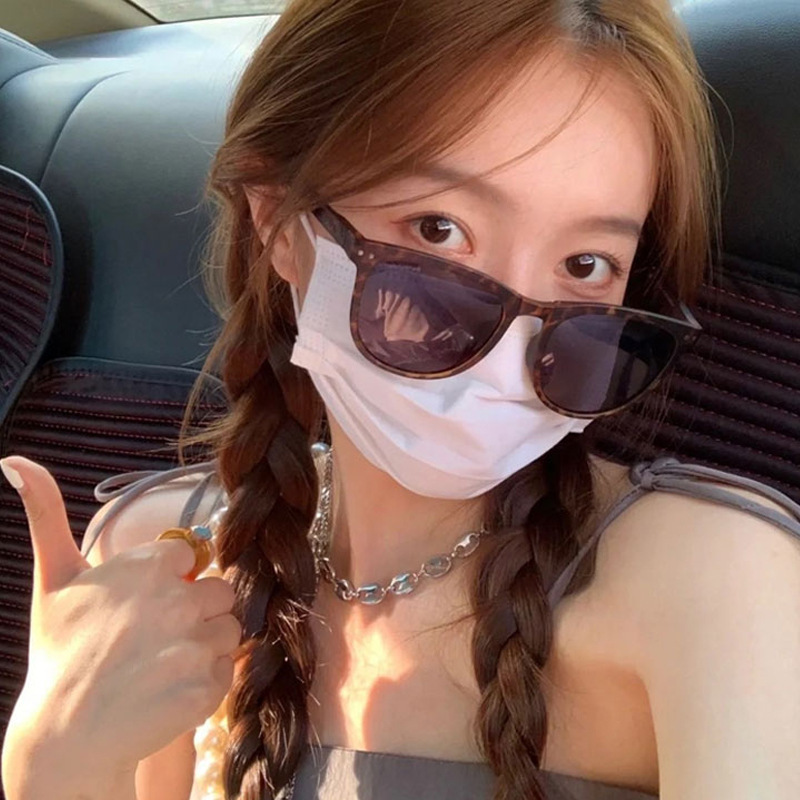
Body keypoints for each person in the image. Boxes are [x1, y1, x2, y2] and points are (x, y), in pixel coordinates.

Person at [2, 1, 799, 799]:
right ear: (277, 220)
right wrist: (57, 762)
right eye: (438, 229)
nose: (509, 357)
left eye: (586, 265)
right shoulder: (158, 563)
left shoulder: (715, 585)